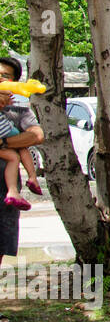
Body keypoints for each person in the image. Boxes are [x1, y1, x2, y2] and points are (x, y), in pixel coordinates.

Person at [0, 57, 43, 212]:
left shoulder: (19, 108)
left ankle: (30, 180)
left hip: (5, 196)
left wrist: (4, 142)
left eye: (5, 75)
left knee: (6, 235)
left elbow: (37, 136)